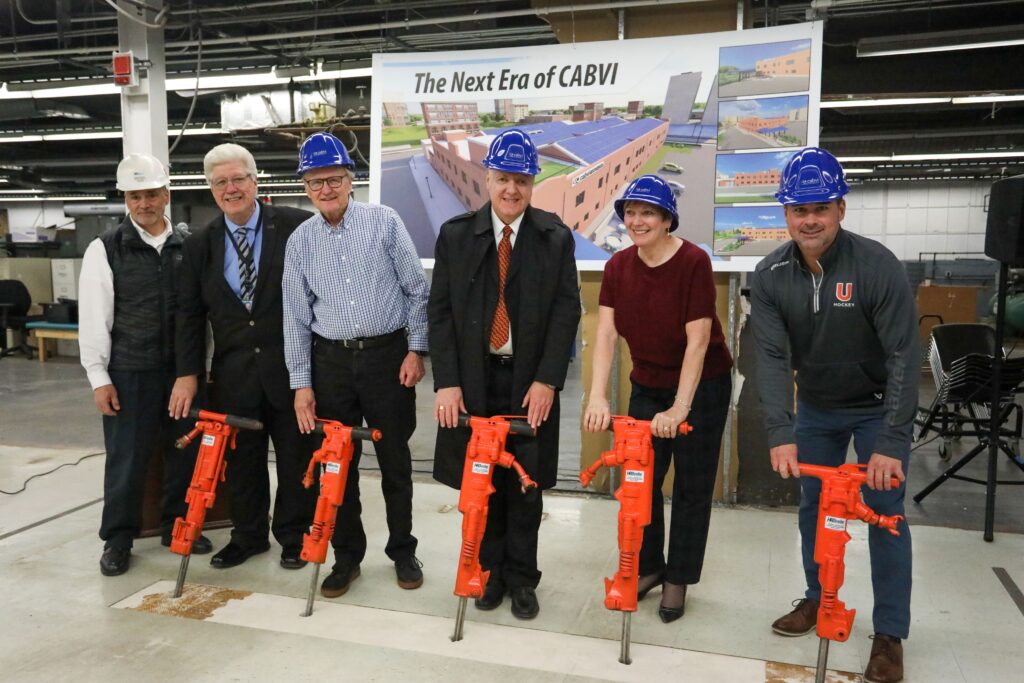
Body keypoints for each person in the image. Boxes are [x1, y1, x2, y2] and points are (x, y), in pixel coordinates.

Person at [749, 147, 916, 683]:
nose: (810, 219)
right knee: (813, 507)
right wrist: (780, 429)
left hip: (875, 410)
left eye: (820, 207)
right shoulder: (771, 274)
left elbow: (903, 358)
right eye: (799, 209)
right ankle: (817, 597)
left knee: (886, 514)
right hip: (818, 409)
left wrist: (891, 439)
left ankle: (888, 635)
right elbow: (771, 358)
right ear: (785, 215)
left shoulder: (876, 266)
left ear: (840, 208)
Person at [429, 128, 581, 620]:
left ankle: (522, 578)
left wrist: (548, 380)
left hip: (528, 381)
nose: (511, 189)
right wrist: (447, 381)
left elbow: (566, 311)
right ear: (486, 180)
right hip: (474, 381)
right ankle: (488, 572)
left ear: (533, 182)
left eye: (521, 179)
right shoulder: (456, 235)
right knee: (482, 481)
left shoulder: (553, 238)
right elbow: (440, 314)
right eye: (502, 179)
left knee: (525, 484)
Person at [282, 132, 430, 597]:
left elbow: (416, 290)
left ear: (351, 180)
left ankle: (403, 549)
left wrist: (416, 350)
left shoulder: (384, 222)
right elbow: (295, 316)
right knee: (336, 465)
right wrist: (301, 383)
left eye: (334, 179)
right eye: (315, 182)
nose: (325, 189)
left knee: (395, 460)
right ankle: (347, 557)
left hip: (388, 359)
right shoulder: (300, 241)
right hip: (331, 364)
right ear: (305, 187)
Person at [582, 174, 732, 623]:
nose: (637, 220)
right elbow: (606, 334)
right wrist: (596, 398)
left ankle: (678, 578)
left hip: (701, 386)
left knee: (690, 486)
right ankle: (648, 565)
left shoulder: (692, 262)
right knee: (640, 483)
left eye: (648, 212)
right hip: (647, 383)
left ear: (668, 219)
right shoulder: (618, 266)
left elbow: (699, 340)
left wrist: (680, 407)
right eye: (630, 212)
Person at [170, 143, 316, 571]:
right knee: (243, 462)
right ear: (211, 189)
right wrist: (188, 374)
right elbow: (190, 315)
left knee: (295, 457)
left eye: (238, 179)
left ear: (255, 181)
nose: (230, 188)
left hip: (293, 370)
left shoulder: (296, 226)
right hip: (234, 375)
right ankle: (248, 535)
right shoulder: (201, 245)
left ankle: (293, 535)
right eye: (220, 182)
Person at [79, 153, 211, 576]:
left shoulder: (189, 245)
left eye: (152, 194)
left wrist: (195, 370)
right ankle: (118, 538)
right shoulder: (106, 249)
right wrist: (99, 377)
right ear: (126, 200)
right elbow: (95, 317)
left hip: (183, 373)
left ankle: (178, 524)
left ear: (166, 195)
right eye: (135, 196)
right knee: (126, 458)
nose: (144, 203)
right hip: (129, 371)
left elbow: (203, 311)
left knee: (183, 454)